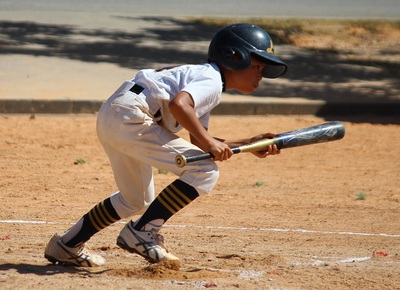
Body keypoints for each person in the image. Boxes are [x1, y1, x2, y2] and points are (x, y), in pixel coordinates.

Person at [44, 23, 288, 269]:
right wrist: (210, 144)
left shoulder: (204, 79)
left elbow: (200, 141)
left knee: (135, 199)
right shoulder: (212, 79)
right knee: (204, 171)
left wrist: (248, 143)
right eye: (257, 65)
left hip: (117, 114)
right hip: (134, 117)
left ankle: (68, 244)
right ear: (233, 56)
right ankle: (143, 232)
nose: (260, 74)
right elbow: (180, 107)